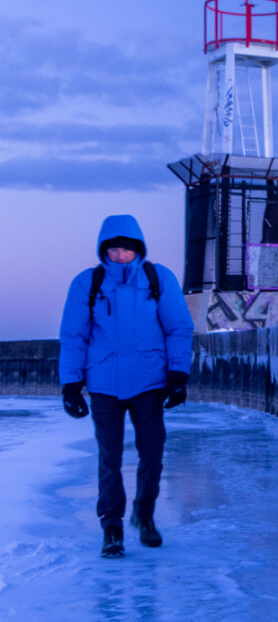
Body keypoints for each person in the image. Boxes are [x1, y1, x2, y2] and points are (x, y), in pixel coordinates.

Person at [59, 214, 194, 558]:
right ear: (104, 250)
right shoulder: (87, 283)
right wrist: (71, 385)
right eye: (114, 249)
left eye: (127, 249)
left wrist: (178, 376)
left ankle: (144, 515)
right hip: (104, 383)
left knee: (152, 452)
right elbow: (74, 336)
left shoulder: (157, 278)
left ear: (139, 249)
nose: (121, 255)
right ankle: (112, 526)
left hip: (150, 382)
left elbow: (178, 328)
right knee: (110, 457)